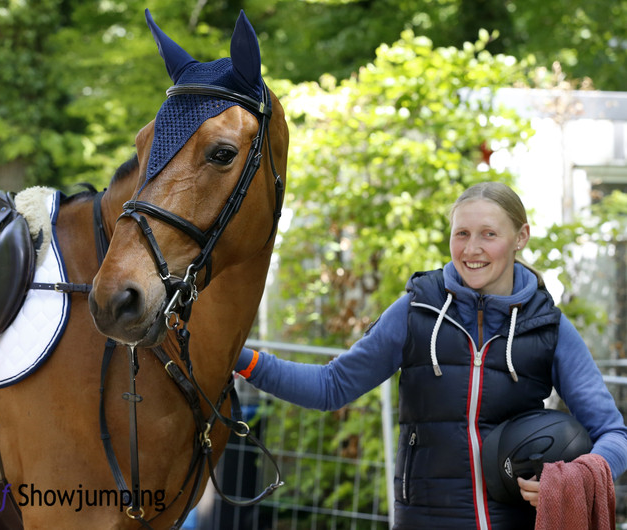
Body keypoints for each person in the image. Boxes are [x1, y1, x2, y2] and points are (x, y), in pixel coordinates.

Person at [235, 182, 627, 529]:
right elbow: (330, 387)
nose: (472, 249)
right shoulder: (416, 311)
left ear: (521, 236)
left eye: (489, 234)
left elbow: (614, 435)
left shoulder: (548, 327)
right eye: (462, 234)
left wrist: (572, 479)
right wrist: (240, 360)